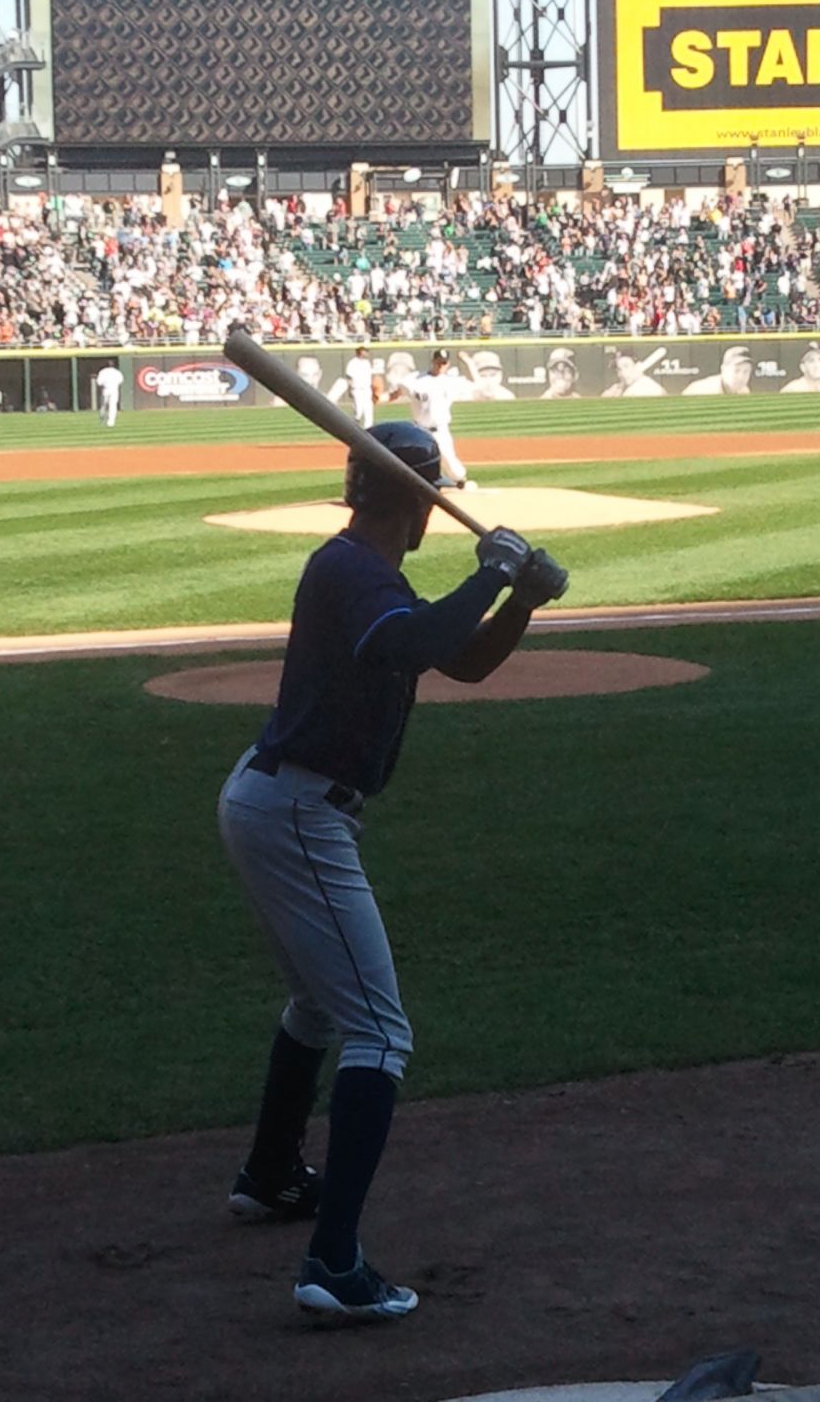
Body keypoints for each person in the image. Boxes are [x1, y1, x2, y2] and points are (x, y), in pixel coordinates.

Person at [217, 423, 567, 1324]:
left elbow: (463, 660)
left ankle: (269, 1173)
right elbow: (408, 644)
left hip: (278, 803)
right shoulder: (346, 571)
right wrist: (491, 570)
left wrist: (520, 601)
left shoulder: (373, 574)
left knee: (319, 1006)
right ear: (416, 501)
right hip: (298, 811)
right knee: (381, 1030)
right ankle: (334, 1263)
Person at [391, 347, 473, 489]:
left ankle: (461, 481)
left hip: (439, 430)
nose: (440, 366)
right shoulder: (416, 379)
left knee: (450, 463)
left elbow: (474, 381)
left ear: (448, 364)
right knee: (412, 459)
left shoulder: (451, 382)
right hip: (419, 430)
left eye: (444, 363)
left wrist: (468, 362)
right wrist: (382, 397)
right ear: (432, 361)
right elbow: (398, 392)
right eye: (438, 362)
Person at [682, 345, 754, 396]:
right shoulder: (705, 391)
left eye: (746, 372)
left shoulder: (743, 390)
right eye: (736, 371)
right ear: (724, 370)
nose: (741, 377)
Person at [344, 345, 375, 428]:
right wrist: (350, 389)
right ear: (360, 352)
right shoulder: (352, 363)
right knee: (358, 411)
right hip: (357, 389)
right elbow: (349, 377)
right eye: (365, 351)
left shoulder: (367, 363)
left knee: (369, 410)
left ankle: (369, 430)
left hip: (367, 389)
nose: (367, 353)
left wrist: (372, 390)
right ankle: (353, 427)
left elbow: (370, 377)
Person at [96, 357, 124, 427]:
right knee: (113, 406)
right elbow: (121, 381)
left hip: (105, 389)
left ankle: (102, 421)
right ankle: (111, 422)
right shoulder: (117, 372)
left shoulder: (102, 371)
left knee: (103, 405)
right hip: (114, 390)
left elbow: (99, 382)